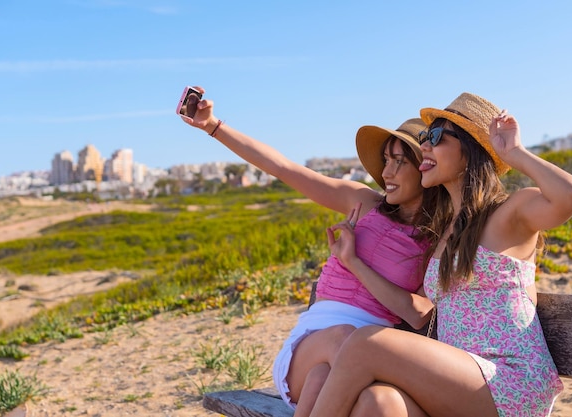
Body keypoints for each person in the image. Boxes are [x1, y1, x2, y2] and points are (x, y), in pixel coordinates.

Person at [307, 92, 572, 417]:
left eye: (436, 137)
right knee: (378, 403)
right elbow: (417, 310)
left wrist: (514, 153)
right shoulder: (446, 234)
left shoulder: (509, 214)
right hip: (462, 384)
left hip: (509, 382)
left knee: (365, 343)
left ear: (469, 150)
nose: (424, 146)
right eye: (425, 137)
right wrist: (352, 262)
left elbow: (571, 196)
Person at [178, 86, 435, 416]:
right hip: (314, 344)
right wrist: (213, 125)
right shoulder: (364, 202)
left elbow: (420, 313)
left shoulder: (435, 238)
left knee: (324, 380)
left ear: (424, 169)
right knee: (342, 344)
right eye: (387, 160)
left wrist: (353, 263)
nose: (387, 173)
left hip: (365, 362)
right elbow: (285, 169)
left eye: (400, 162)